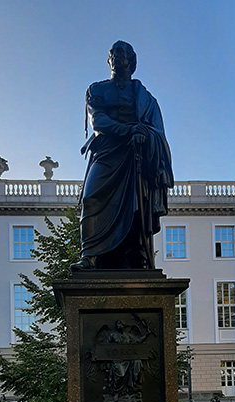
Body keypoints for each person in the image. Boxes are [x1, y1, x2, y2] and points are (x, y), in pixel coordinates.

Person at [72, 41, 174, 270]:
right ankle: (89, 256)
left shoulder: (147, 99)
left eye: (123, 55)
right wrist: (128, 130)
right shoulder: (97, 90)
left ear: (132, 61)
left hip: (136, 157)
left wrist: (145, 135)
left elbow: (157, 131)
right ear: (109, 61)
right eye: (113, 56)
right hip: (107, 152)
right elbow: (98, 121)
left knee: (136, 209)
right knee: (91, 198)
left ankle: (134, 256)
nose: (117, 59)